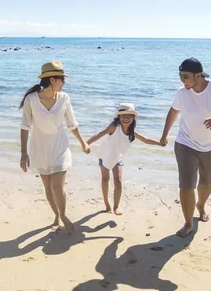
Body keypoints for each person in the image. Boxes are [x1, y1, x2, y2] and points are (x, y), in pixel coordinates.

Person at [160, 58, 211, 237]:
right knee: (186, 185)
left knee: (207, 182)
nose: (182, 80)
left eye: (185, 76)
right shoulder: (182, 93)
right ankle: (188, 223)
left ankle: (201, 204)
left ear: (198, 75)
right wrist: (164, 135)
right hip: (185, 143)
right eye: (180, 75)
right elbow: (173, 111)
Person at [19, 60, 90, 233]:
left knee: (57, 186)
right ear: (52, 79)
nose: (64, 83)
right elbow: (25, 126)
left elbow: (72, 124)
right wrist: (23, 153)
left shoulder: (64, 98)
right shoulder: (31, 100)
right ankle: (56, 216)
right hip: (39, 148)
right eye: (62, 79)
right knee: (48, 189)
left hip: (60, 147)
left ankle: (63, 215)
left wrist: (83, 143)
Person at [87, 103, 163, 215]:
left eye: (129, 116)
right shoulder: (114, 127)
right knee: (105, 179)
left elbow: (145, 140)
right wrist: (86, 144)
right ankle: (107, 204)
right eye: (123, 116)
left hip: (118, 158)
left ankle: (116, 206)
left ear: (133, 118)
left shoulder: (132, 131)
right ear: (119, 117)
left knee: (118, 182)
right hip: (105, 155)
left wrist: (159, 143)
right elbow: (100, 134)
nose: (126, 118)